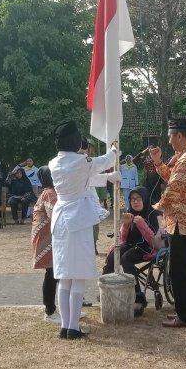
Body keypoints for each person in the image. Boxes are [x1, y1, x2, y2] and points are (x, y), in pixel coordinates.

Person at [48, 121, 117, 340]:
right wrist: (114, 150)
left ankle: (66, 326)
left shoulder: (54, 163)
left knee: (64, 276)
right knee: (77, 276)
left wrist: (107, 176)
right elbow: (104, 162)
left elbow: (87, 176)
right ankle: (73, 327)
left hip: (60, 219)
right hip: (77, 219)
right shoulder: (81, 161)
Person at [149, 118, 186, 328]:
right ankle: (185, 312)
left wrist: (156, 207)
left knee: (180, 271)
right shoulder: (184, 156)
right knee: (182, 270)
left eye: (171, 136)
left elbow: (173, 188)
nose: (169, 141)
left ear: (180, 135)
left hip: (183, 222)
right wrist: (157, 162)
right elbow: (171, 177)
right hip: (181, 221)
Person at [102, 187, 162, 317]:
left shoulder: (154, 215)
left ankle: (138, 298)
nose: (135, 202)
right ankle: (107, 289)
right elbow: (123, 239)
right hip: (131, 245)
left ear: (144, 199)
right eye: (132, 199)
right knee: (114, 254)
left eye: (138, 199)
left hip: (148, 247)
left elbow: (155, 243)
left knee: (125, 258)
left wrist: (142, 225)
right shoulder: (129, 213)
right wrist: (126, 225)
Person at [30, 166, 60, 323]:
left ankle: (63, 309)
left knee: (57, 273)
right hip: (47, 238)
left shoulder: (47, 192)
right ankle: (49, 311)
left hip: (47, 237)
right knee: (53, 273)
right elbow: (56, 214)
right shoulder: (49, 193)